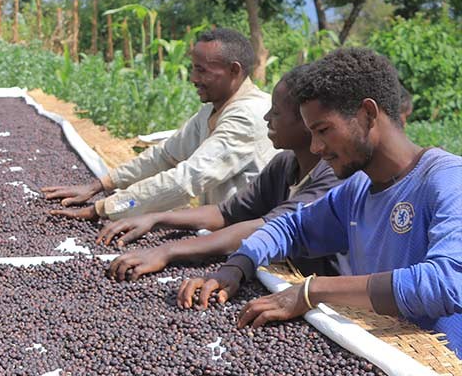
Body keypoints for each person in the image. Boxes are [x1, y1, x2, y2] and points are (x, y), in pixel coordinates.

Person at [177, 48, 462, 358]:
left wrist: (313, 290)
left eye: (324, 130)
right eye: (312, 133)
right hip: (385, 358)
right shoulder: (358, 189)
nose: (316, 147)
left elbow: (447, 283)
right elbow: (292, 227)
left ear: (367, 114)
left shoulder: (446, 180)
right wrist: (236, 266)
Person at [102, 64, 341, 282]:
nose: (267, 118)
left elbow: (268, 227)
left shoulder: (332, 177)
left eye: (276, 113)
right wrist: (156, 218)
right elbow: (226, 213)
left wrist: (168, 251)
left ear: (307, 121)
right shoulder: (285, 163)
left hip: (327, 299)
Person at [44, 28, 278, 231]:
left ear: (234, 71)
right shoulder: (213, 110)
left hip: (248, 236)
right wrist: (100, 185)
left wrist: (105, 208)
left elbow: (186, 180)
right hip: (219, 227)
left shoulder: (246, 116)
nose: (193, 79)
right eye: (193, 69)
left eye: (202, 70)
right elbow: (165, 155)